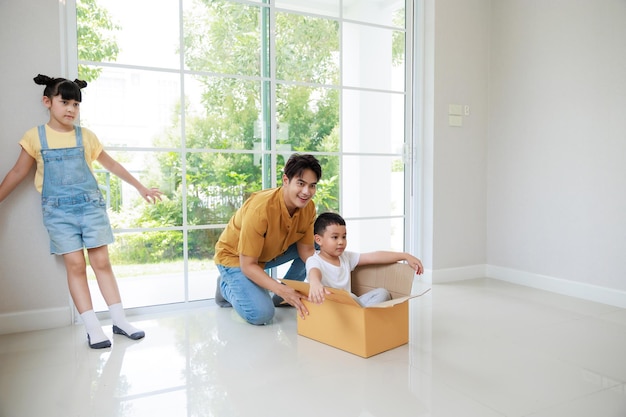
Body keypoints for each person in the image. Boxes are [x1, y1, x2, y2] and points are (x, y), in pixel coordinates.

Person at [0, 75, 163, 348]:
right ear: (47, 102)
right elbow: (18, 173)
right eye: (65, 102)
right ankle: (92, 328)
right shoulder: (34, 137)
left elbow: (112, 165)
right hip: (58, 212)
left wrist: (140, 187)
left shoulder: (85, 136)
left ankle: (120, 320)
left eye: (76, 104)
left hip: (90, 207)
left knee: (102, 263)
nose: (71, 110)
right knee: (76, 266)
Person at [214, 153, 322, 325]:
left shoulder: (308, 208)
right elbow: (248, 264)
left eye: (312, 186)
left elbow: (307, 252)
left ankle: (285, 293)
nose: (306, 192)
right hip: (236, 258)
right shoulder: (260, 209)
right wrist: (279, 287)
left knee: (318, 243)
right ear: (286, 180)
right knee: (262, 314)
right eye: (300, 183)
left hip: (267, 253)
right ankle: (226, 286)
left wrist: (319, 281)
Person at [306, 212, 424, 307]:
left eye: (344, 236)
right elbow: (314, 273)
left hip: (350, 306)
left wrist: (405, 256)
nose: (341, 242)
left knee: (382, 293)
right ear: (318, 240)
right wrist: (315, 283)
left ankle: (360, 317)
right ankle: (360, 318)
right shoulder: (315, 260)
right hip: (330, 308)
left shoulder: (345, 257)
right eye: (335, 237)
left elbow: (374, 257)